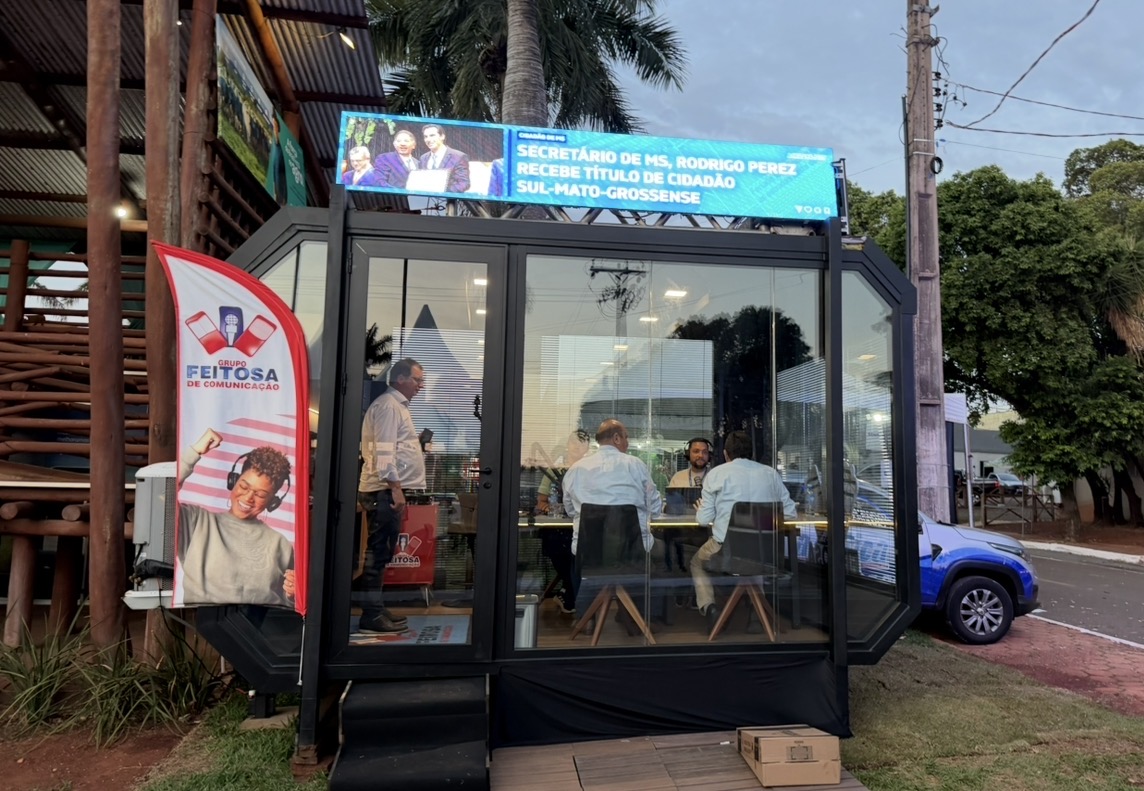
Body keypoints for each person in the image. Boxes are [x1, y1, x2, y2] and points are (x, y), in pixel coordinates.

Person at [690, 430, 797, 632]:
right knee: (753, 554)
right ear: (751, 452)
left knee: (696, 562)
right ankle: (757, 616)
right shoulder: (770, 474)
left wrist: (703, 511)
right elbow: (790, 513)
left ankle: (710, 607)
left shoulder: (716, 474)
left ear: (725, 454)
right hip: (767, 552)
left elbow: (703, 520)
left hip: (727, 550)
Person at [176, 428, 295, 608]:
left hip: (262, 629)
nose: (248, 498)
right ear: (233, 481)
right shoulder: (196, 521)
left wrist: (293, 594)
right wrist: (194, 453)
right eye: (244, 486)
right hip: (203, 626)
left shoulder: (281, 544)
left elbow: (288, 604)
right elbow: (160, 495)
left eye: (261, 494)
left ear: (273, 501)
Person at [563, 420, 663, 633]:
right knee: (662, 555)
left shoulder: (576, 469)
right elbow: (654, 506)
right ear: (617, 438)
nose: (627, 442)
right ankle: (640, 616)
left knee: (577, 557)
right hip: (632, 552)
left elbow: (570, 510)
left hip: (590, 554)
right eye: (626, 437)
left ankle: (585, 617)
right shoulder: (635, 465)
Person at [357, 358, 427, 633]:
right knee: (378, 552)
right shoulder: (388, 406)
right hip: (383, 490)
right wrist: (396, 489)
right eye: (417, 379)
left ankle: (376, 607)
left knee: (383, 552)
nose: (421, 385)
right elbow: (385, 451)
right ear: (400, 379)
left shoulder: (397, 406)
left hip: (387, 489)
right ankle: (371, 615)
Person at [536, 429, 591, 613]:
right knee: (559, 548)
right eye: (574, 442)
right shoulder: (554, 471)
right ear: (567, 445)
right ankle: (571, 593)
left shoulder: (590, 471)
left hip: (582, 525)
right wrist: (550, 509)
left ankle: (569, 594)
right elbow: (541, 501)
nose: (577, 447)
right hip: (557, 526)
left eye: (582, 444)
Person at [663, 436, 714, 571]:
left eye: (704, 452)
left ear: (709, 455)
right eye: (696, 451)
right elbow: (669, 507)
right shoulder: (678, 477)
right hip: (682, 528)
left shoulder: (716, 476)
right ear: (688, 454)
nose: (700, 455)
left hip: (708, 530)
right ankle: (673, 569)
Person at [419, 124, 470, 193]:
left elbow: (463, 183)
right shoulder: (423, 158)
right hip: (425, 202)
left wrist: (443, 193)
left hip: (449, 202)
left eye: (432, 135)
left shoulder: (458, 156)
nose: (428, 139)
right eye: (426, 137)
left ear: (442, 136)